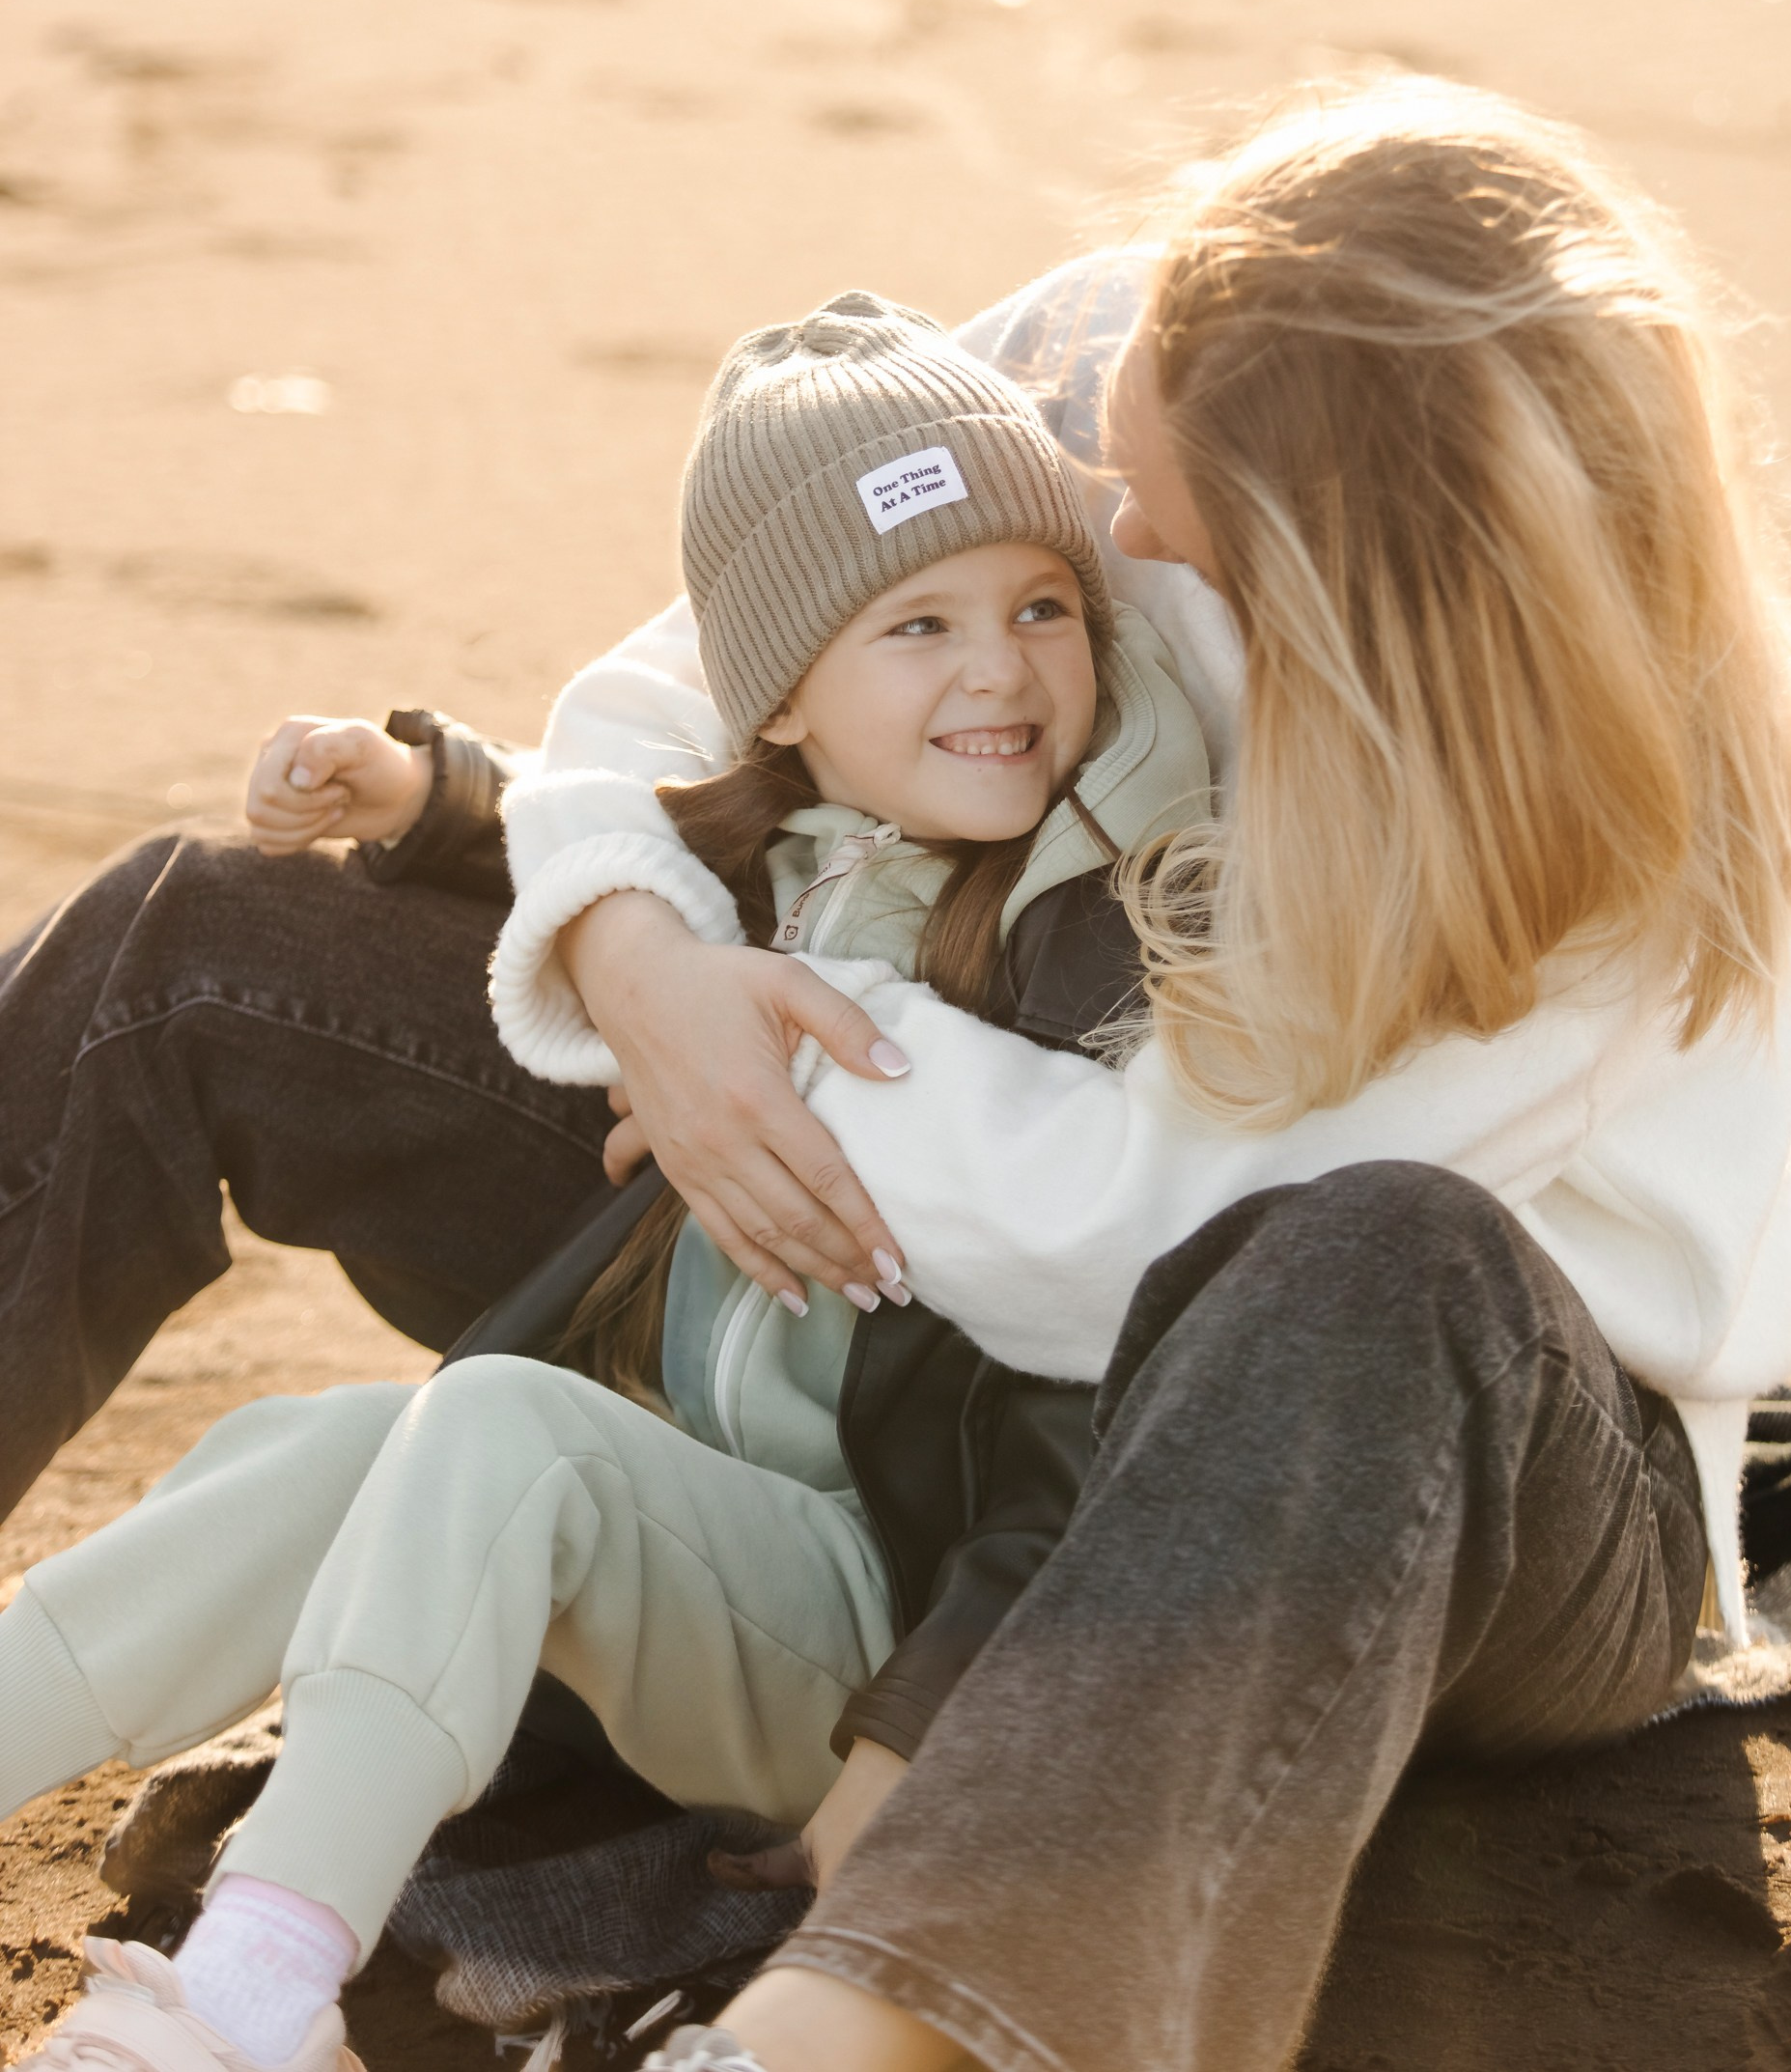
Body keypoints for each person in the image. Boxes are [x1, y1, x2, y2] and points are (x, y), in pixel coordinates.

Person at [0, 80, 1791, 2072]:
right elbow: (683, 681)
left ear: (1356, 574)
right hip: (877, 1255)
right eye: (1114, 458)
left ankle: (848, 2029)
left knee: (1374, 1256)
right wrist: (645, 963)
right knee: (201, 946)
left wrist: (765, 1030)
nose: (1116, 535)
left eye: (1173, 525)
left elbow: (1132, 1255)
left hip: (1389, 1456)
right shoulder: (1140, 359)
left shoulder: (1611, 824)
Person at [1, 294, 1212, 2072]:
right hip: (674, 1541)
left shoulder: (1087, 944)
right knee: (320, 1455)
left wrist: (916, 1743)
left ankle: (257, 1991)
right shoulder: (799, 847)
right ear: (781, 694)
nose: (1002, 672)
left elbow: (1083, 1390)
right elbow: (625, 837)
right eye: (921, 624)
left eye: (1044, 608)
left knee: (499, 1428)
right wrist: (429, 795)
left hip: (858, 1644)